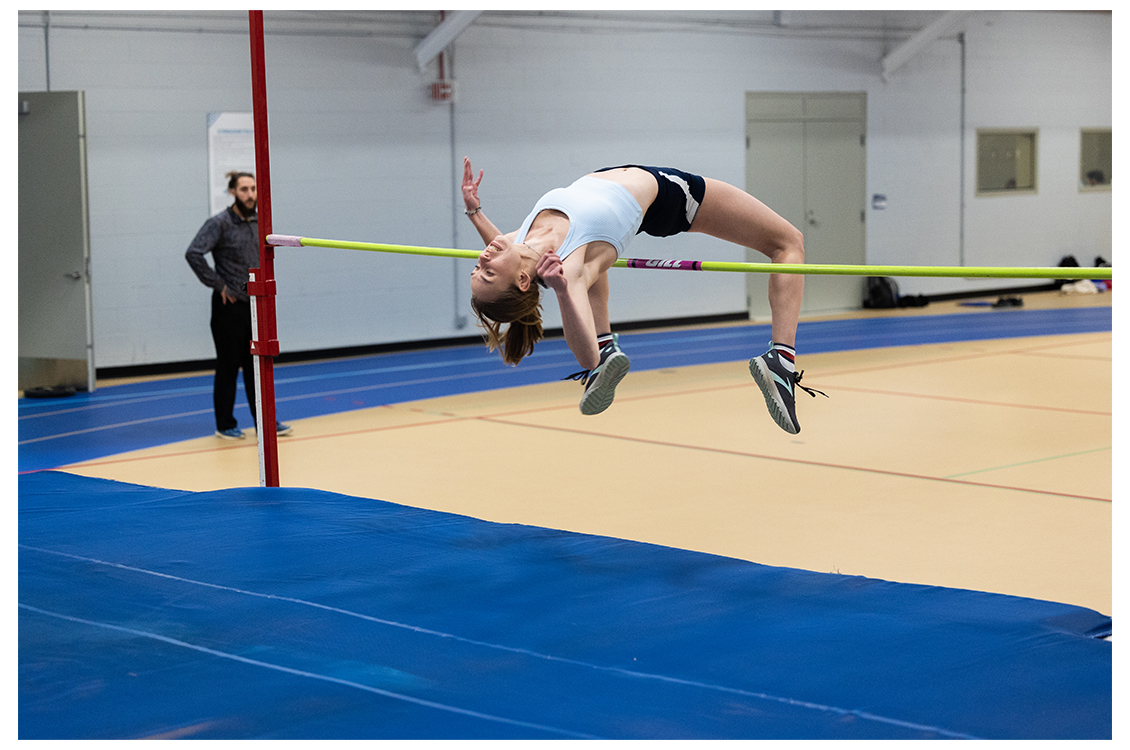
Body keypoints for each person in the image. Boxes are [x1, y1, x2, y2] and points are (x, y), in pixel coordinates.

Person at [461, 157, 825, 434]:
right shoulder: (567, 270)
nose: (482, 259)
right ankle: (781, 362)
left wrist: (475, 211)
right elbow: (584, 356)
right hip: (666, 195)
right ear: (524, 281)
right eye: (488, 272)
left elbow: (502, 253)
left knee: (591, 270)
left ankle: (608, 345)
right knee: (788, 242)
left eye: (477, 269)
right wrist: (561, 292)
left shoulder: (522, 243)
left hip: (622, 186)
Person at [185, 170, 292, 440]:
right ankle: (225, 423)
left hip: (255, 304)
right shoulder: (219, 223)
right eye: (244, 189)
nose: (250, 194)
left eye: (254, 189)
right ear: (233, 192)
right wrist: (218, 285)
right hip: (229, 306)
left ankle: (264, 422)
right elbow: (193, 253)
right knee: (229, 366)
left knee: (257, 365)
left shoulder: (261, 222)